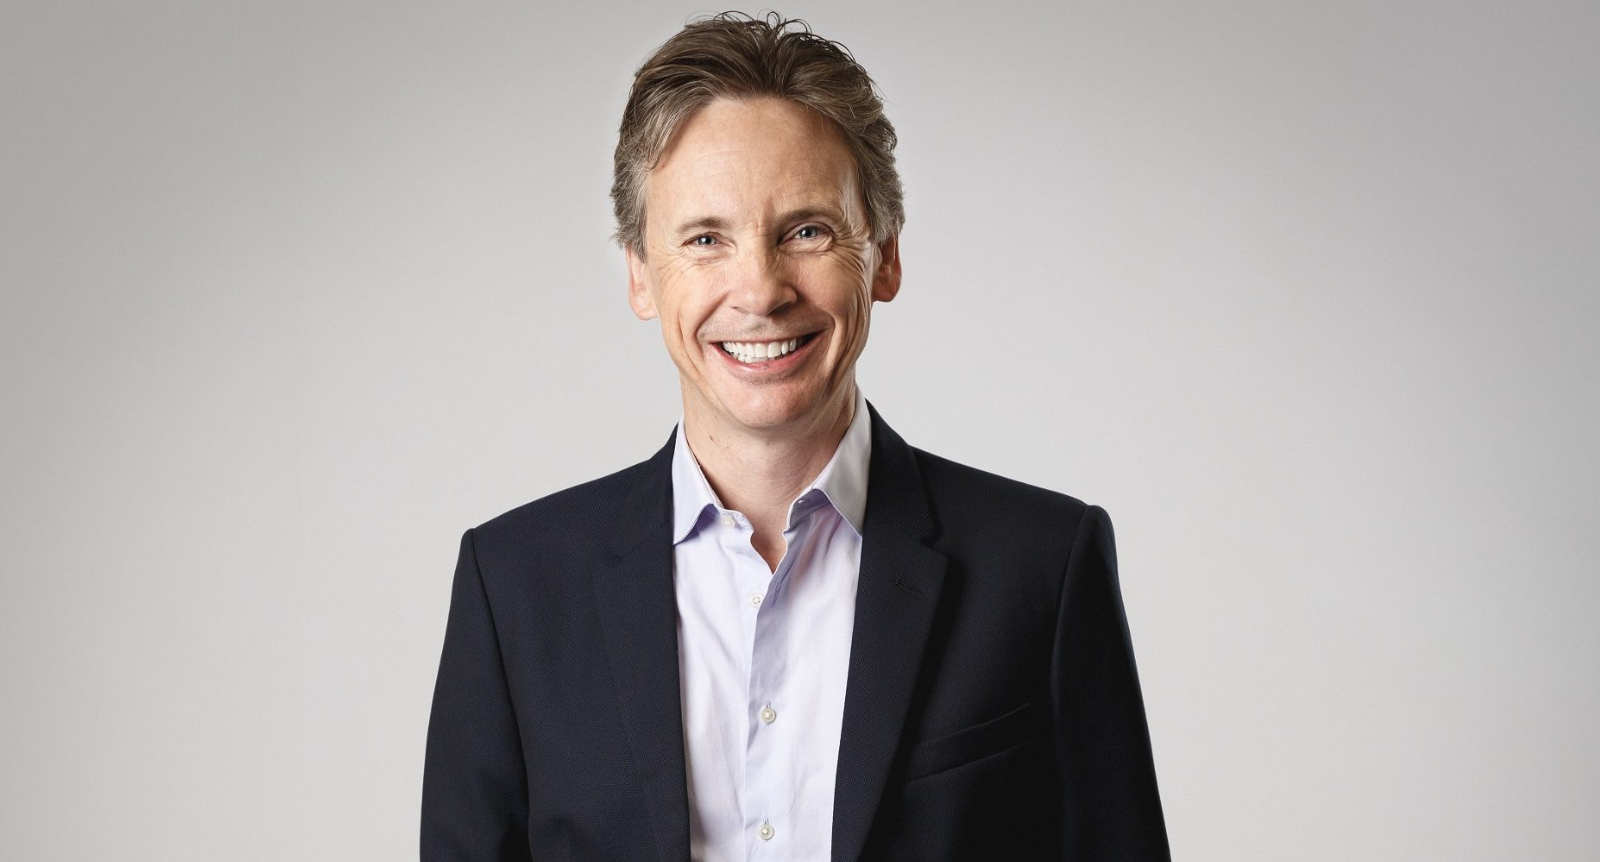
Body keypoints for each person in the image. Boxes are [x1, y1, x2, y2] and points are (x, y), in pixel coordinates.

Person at [421, 12, 1169, 861]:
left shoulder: (1043, 568)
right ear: (639, 273)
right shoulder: (514, 588)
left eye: (807, 231)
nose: (761, 290)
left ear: (884, 254)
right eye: (706, 239)